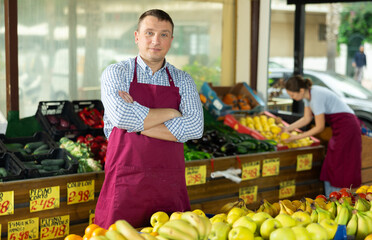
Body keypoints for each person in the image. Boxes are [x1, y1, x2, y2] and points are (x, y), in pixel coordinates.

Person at [95, 9, 204, 228]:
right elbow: (121, 117)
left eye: (164, 34)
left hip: (168, 183)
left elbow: (194, 128)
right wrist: (173, 113)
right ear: (136, 36)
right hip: (125, 182)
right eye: (149, 33)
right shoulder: (117, 73)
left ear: (171, 40)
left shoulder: (183, 80)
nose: (156, 40)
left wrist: (136, 124)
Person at [282, 75, 361, 197]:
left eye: (292, 95)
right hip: (339, 128)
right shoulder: (308, 96)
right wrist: (287, 128)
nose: (292, 98)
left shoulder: (316, 97)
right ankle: (331, 196)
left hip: (348, 127)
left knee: (341, 164)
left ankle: (342, 197)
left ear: (301, 91)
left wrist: (295, 137)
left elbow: (320, 127)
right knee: (331, 162)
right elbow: (306, 118)